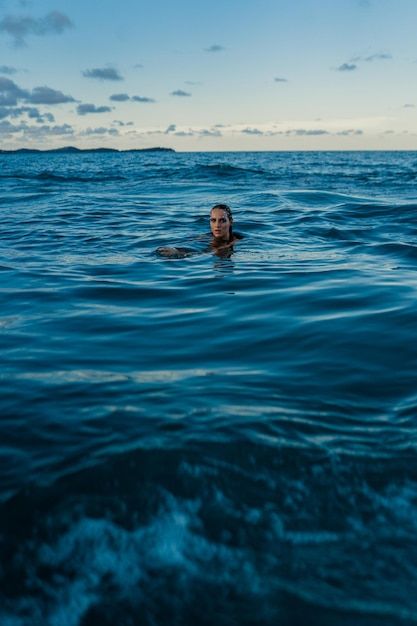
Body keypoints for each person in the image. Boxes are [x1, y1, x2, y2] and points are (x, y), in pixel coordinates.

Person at [157, 204, 242, 257]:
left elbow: (204, 253)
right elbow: (188, 244)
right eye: (213, 220)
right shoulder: (206, 236)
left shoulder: (234, 241)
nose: (217, 225)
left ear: (230, 222)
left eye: (222, 220)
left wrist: (177, 253)